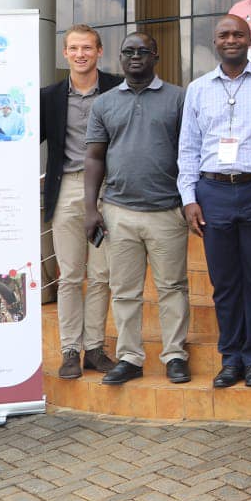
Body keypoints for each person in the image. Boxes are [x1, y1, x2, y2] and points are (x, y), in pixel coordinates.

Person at [178, 15, 251, 388]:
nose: (231, 40)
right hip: (213, 194)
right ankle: (231, 358)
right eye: (224, 35)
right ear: (215, 42)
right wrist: (189, 197)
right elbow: (189, 147)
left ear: (249, 39)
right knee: (224, 282)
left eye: (237, 34)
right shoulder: (197, 89)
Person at [83, 33, 189, 386]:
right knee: (125, 290)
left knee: (172, 287)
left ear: (156, 55)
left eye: (144, 51)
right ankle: (130, 356)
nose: (136, 57)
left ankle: (174, 354)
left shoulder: (178, 98)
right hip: (119, 211)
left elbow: (189, 154)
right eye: (128, 51)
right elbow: (94, 157)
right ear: (120, 57)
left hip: (166, 211)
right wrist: (90, 209)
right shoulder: (105, 103)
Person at [42, 25, 122, 379]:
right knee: (71, 275)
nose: (80, 54)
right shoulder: (50, 96)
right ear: (65, 53)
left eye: (87, 48)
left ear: (99, 51)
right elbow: (26, 138)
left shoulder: (118, 88)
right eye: (73, 48)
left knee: (102, 274)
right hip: (68, 190)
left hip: (110, 190)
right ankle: (70, 350)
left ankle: (95, 349)